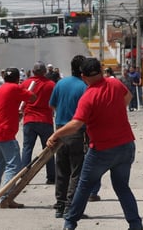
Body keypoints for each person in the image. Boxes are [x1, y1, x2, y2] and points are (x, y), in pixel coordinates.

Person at [47, 57, 143, 230]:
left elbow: (76, 124)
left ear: (83, 76)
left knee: (84, 186)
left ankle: (69, 224)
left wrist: (56, 134)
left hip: (101, 150)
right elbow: (127, 97)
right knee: (122, 187)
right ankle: (135, 224)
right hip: (125, 145)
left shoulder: (88, 96)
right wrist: (113, 112)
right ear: (101, 70)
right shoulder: (114, 84)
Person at [0, 67, 36, 208]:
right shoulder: (14, 88)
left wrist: (16, 113)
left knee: (0, 164)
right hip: (6, 132)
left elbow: (5, 108)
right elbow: (32, 97)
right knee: (14, 166)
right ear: (16, 78)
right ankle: (6, 197)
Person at [49, 55, 88, 219]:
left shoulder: (61, 83)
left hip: (59, 129)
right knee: (76, 172)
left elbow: (52, 104)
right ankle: (70, 208)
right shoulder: (85, 87)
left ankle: (59, 205)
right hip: (75, 130)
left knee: (61, 170)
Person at [21, 61, 56, 184]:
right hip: (45, 119)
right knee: (49, 149)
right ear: (45, 72)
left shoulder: (26, 83)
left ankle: (24, 175)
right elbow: (54, 102)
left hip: (29, 119)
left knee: (27, 148)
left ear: (32, 71)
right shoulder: (51, 84)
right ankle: (51, 176)